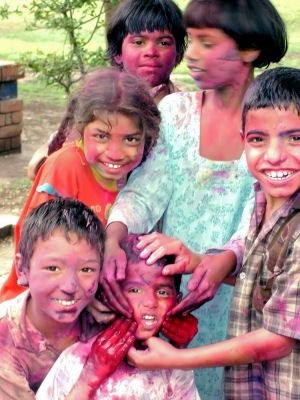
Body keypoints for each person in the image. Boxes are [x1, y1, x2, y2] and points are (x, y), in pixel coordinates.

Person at [99, 1, 288, 398]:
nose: (192, 55)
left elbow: (269, 212)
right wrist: (114, 237)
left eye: (206, 43)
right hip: (173, 296)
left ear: (249, 48)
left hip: (246, 298)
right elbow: (145, 191)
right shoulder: (176, 111)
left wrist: (225, 259)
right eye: (193, 42)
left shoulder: (274, 126)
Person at [127, 66, 300, 400]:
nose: (275, 155)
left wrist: (178, 359)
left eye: (295, 138)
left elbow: (279, 339)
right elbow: (263, 275)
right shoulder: (267, 203)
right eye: (258, 140)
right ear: (243, 142)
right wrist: (196, 260)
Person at [0, 67, 160, 302]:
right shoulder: (64, 167)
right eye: (101, 136)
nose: (115, 153)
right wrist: (83, 299)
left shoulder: (141, 176)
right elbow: (40, 250)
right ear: (81, 127)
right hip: (42, 304)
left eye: (130, 139)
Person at [27, 0, 186, 180]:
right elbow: (48, 161)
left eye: (164, 43)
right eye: (139, 42)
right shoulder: (98, 98)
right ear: (118, 53)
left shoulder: (187, 111)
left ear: (178, 55)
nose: (151, 51)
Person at [0, 197, 136, 399]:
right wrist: (90, 375)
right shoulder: (5, 341)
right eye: (53, 268)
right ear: (22, 268)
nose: (70, 287)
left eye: (86, 269)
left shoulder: (104, 314)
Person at [35, 234, 200, 400]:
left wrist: (179, 349)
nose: (150, 302)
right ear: (109, 294)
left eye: (162, 292)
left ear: (177, 302)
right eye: (134, 290)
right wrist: (90, 377)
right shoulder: (78, 360)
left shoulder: (174, 363)